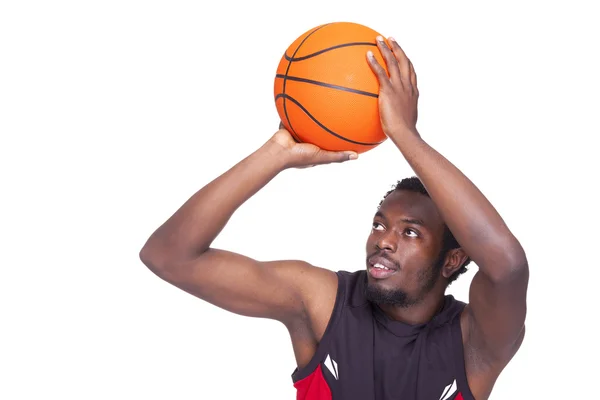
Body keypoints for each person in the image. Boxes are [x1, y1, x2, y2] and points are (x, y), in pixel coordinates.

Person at [139, 36, 528, 400]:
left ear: (452, 259)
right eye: (379, 224)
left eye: (410, 232)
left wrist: (406, 135)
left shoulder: (474, 340)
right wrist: (275, 155)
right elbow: (168, 256)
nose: (384, 240)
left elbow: (507, 266)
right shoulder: (323, 303)